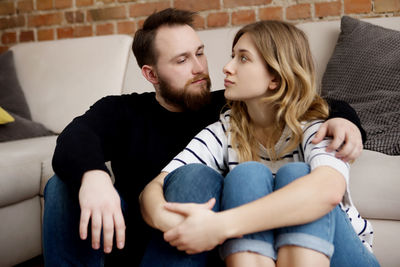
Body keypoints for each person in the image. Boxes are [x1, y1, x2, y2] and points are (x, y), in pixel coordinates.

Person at [43, 8, 366, 267]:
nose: (201, 67)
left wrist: (343, 119)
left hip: (204, 236)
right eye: (182, 60)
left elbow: (303, 102)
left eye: (200, 53)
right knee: (63, 183)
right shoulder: (126, 110)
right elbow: (75, 137)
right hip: (139, 230)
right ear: (151, 75)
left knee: (216, 175)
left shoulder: (229, 104)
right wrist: (95, 177)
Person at [139, 20, 379, 266]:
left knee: (297, 174)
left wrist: (219, 226)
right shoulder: (225, 130)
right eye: (232, 56)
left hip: (342, 257)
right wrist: (167, 218)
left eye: (243, 59)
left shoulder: (316, 125)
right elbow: (155, 186)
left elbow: (327, 191)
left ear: (274, 77)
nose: (226, 68)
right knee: (247, 174)